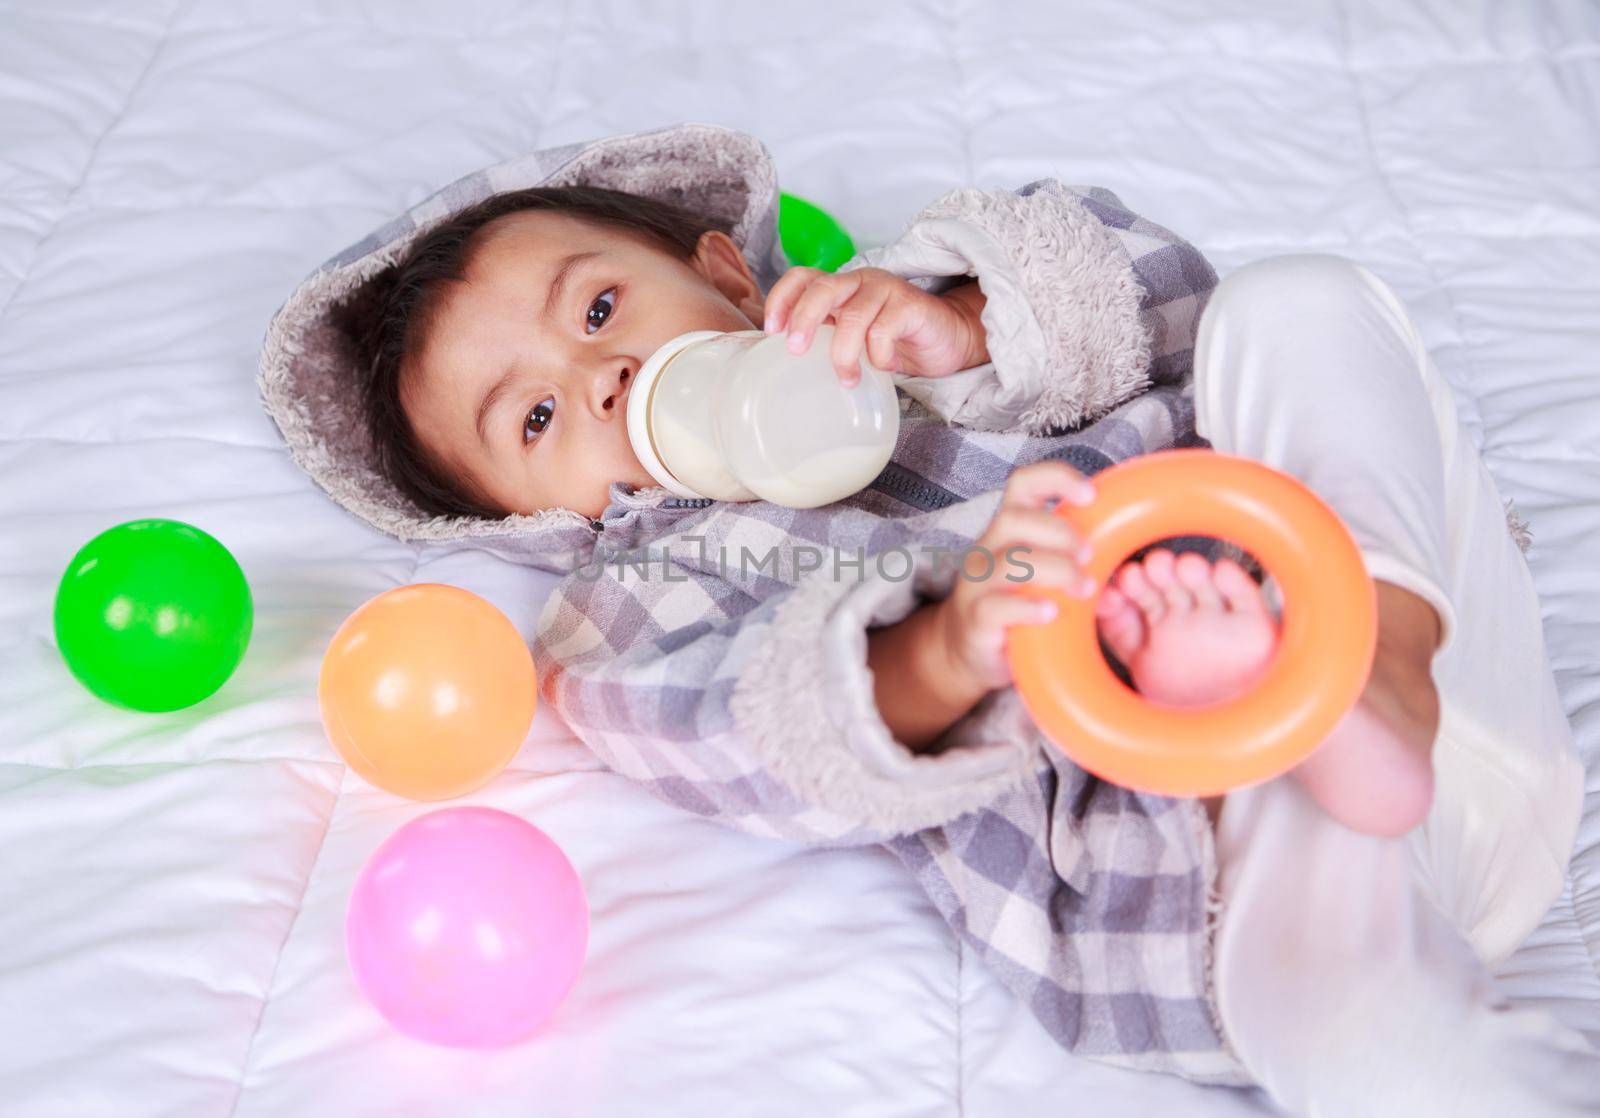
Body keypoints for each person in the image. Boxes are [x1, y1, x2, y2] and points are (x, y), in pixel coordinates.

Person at [259, 122, 1594, 1111]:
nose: (603, 379)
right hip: (1241, 849)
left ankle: (1377, 673)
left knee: (1296, 302)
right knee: (1381, 1055)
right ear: (520, 515)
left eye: (599, 308)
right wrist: (950, 640)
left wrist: (960, 328)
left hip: (1404, 646)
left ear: (726, 274)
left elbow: (1154, 289)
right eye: (538, 418)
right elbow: (748, 738)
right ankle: (1296, 717)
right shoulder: (638, 597)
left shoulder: (894, 315)